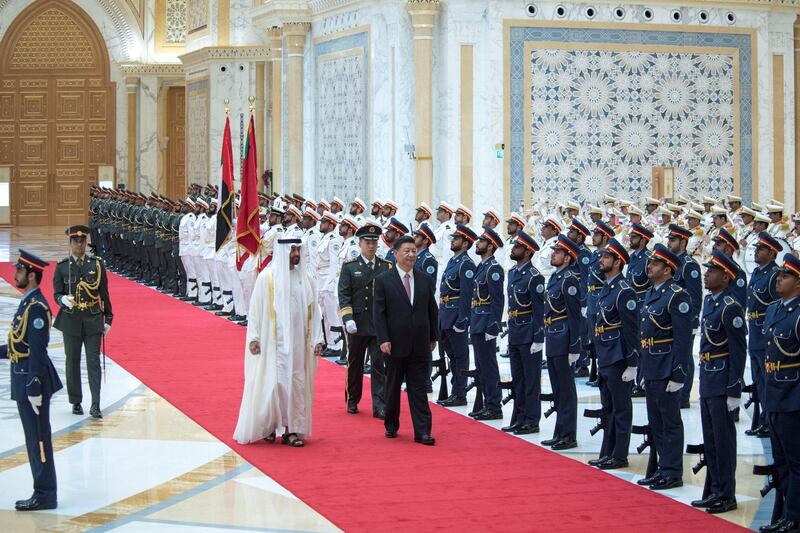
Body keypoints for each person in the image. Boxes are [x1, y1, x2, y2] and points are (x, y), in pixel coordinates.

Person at [233, 238, 324, 447]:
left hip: (299, 344)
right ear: (282, 251)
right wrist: (254, 337)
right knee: (273, 385)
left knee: (295, 385)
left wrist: (318, 339)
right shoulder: (267, 278)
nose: (295, 254)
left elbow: (314, 311)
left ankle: (291, 430)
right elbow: (255, 309)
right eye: (292, 250)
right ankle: (270, 426)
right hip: (273, 342)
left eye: (298, 249)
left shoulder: (306, 278)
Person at [0, 250, 62, 511]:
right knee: (32, 437)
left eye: (20, 271)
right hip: (23, 378)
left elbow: (37, 351)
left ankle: (45, 493)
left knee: (38, 438)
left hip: (30, 382)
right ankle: (42, 489)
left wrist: (34, 386)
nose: (15, 275)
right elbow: (18, 344)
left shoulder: (36, 308)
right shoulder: (27, 302)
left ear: (32, 275)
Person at [690, 249, 746, 513]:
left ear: (726, 277)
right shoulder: (711, 302)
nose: (706, 275)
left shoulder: (730, 307)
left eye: (711, 271)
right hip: (709, 377)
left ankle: (726, 494)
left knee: (723, 440)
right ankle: (714, 489)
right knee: (711, 438)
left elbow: (737, 351)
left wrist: (735, 388)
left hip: (722, 379)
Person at [637, 244, 692, 491]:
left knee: (670, 422)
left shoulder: (677, 295)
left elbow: (682, 339)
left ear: (668, 270)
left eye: (656, 264)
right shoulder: (652, 293)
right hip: (651, 364)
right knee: (655, 421)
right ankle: (661, 468)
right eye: (650, 263)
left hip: (666, 365)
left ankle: (672, 471)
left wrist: (679, 372)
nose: (650, 267)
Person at [374, 235, 439, 445]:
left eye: (413, 251)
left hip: (420, 344)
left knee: (418, 388)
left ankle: (423, 431)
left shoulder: (424, 279)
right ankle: (391, 424)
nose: (411, 255)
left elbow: (432, 310)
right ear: (395, 254)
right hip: (394, 344)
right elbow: (379, 313)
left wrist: (433, 336)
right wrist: (383, 338)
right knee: (392, 387)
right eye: (407, 251)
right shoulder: (384, 280)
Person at [52, 225, 113, 419]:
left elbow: (104, 293)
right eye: (75, 241)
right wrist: (62, 300)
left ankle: (95, 404)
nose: (79, 245)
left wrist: (109, 318)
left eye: (82, 241)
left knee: (93, 362)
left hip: (93, 319)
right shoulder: (62, 266)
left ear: (86, 243)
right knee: (72, 362)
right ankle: (76, 401)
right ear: (70, 244)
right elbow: (57, 293)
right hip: (71, 320)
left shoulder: (96, 264)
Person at [589, 238, 638, 470]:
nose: (602, 260)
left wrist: (632, 363)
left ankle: (619, 455)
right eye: (602, 257)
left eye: (607, 257)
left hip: (618, 357)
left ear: (618, 262)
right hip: (606, 355)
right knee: (608, 408)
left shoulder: (624, 291)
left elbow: (630, 330)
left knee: (621, 409)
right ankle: (607, 452)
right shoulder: (607, 288)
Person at [760, 253, 800, 533]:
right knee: (782, 461)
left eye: (785, 276)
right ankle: (786, 513)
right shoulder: (774, 309)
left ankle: (795, 518)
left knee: (797, 462)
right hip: (774, 392)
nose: (778, 279)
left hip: (793, 395)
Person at [338, 222, 392, 416]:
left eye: (374, 242)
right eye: (367, 242)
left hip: (378, 324)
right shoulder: (350, 267)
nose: (371, 246)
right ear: (359, 243)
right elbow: (344, 294)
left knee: (379, 364)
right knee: (355, 363)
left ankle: (379, 405)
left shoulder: (386, 266)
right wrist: (348, 318)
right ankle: (352, 398)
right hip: (358, 323)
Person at [541, 235, 582, 450]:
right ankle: (559, 432)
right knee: (558, 389)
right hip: (553, 337)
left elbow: (575, 317)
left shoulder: (569, 280)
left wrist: (575, 346)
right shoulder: (555, 278)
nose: (553, 254)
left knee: (566, 390)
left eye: (558, 252)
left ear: (567, 258)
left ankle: (568, 435)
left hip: (564, 338)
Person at [503, 231, 545, 435]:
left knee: (531, 381)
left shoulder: (534, 277)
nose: (513, 250)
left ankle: (531, 420)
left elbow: (539, 310)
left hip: (529, 333)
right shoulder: (512, 273)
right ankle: (518, 417)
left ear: (527, 252)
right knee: (518, 379)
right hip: (515, 331)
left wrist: (538, 338)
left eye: (518, 247)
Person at [435, 224, 477, 407]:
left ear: (465, 244)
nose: (453, 241)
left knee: (460, 356)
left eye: (457, 239)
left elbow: (467, 295)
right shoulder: (453, 262)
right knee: (451, 356)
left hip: (455, 316)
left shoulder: (466, 264)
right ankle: (454, 390)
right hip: (445, 314)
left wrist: (463, 319)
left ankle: (459, 393)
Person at [745, 232, 781, 438]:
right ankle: (763, 419)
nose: (756, 252)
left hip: (765, 331)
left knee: (768, 381)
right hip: (755, 331)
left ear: (772, 253)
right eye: (757, 248)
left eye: (761, 249)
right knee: (759, 379)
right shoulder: (758, 273)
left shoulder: (775, 274)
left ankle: (770, 422)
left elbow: (777, 307)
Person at [468, 227, 505, 421]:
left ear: (490, 246)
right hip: (477, 321)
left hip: (485, 323)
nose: (477, 243)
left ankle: (494, 405)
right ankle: (485, 404)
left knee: (489, 367)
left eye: (481, 241)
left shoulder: (493, 269)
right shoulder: (481, 266)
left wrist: (493, 325)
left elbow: (497, 300)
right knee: (481, 366)